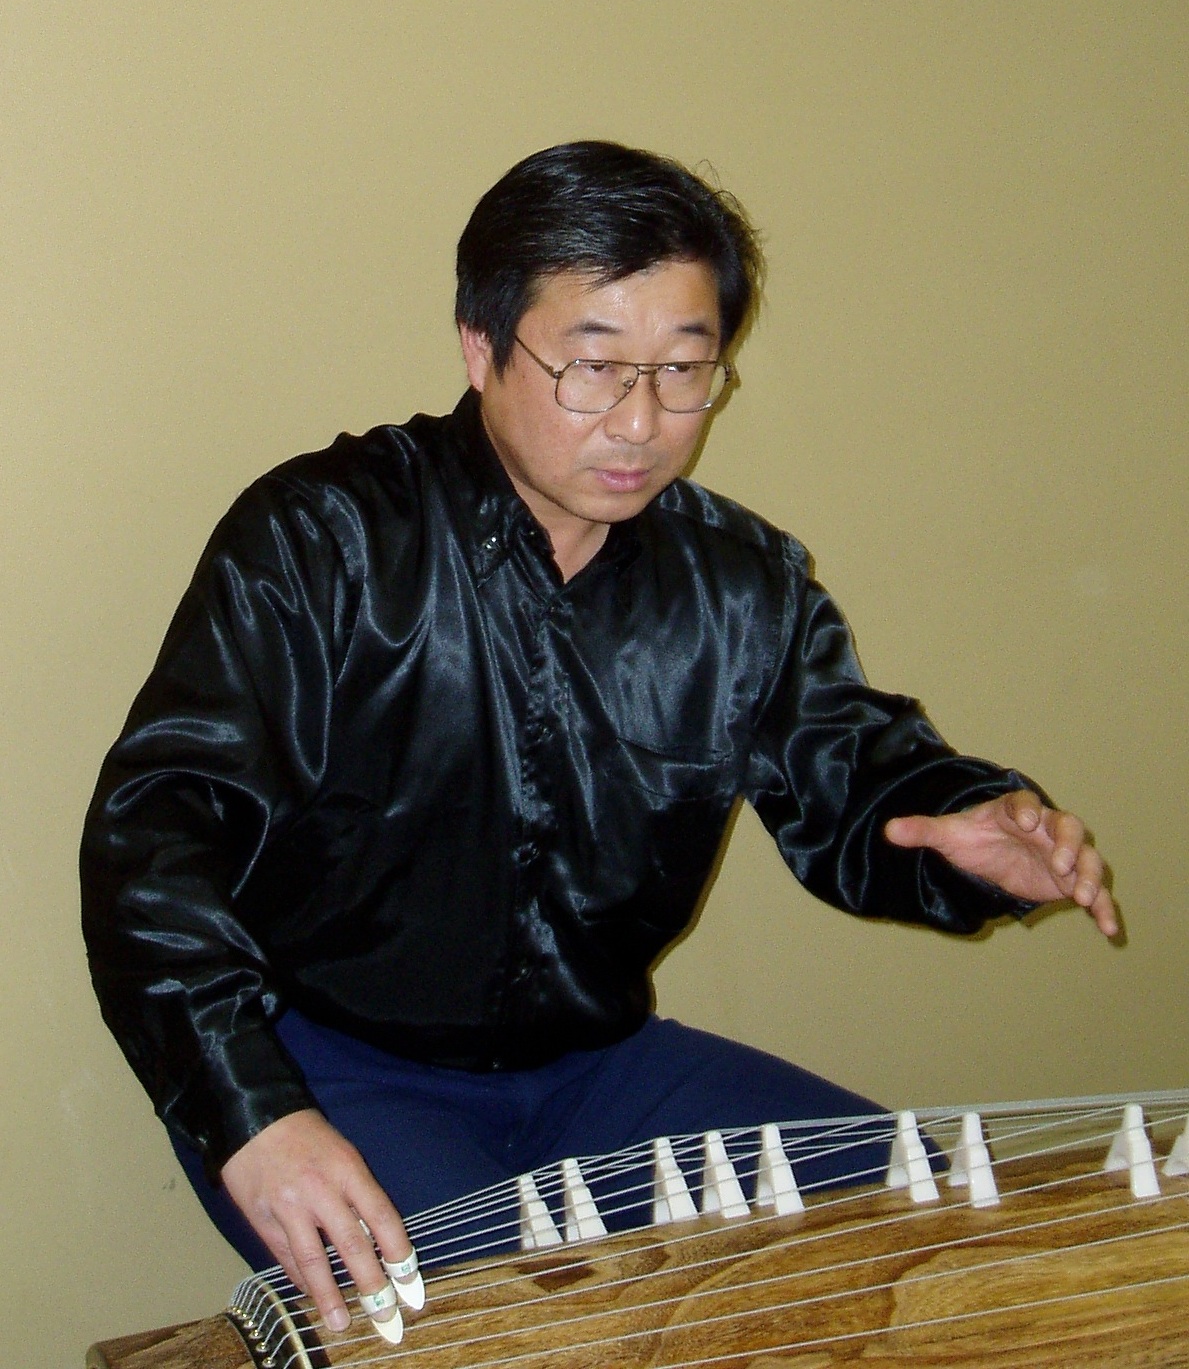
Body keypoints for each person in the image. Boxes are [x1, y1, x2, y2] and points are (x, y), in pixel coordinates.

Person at [81, 140, 1113, 1338]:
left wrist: (970, 831)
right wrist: (253, 1114)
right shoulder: (327, 540)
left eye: (683, 371)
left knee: (925, 1229)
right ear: (481, 347)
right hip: (328, 1064)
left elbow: (856, 776)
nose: (641, 421)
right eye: (593, 367)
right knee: (517, 1336)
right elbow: (151, 840)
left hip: (602, 1068)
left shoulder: (739, 585)